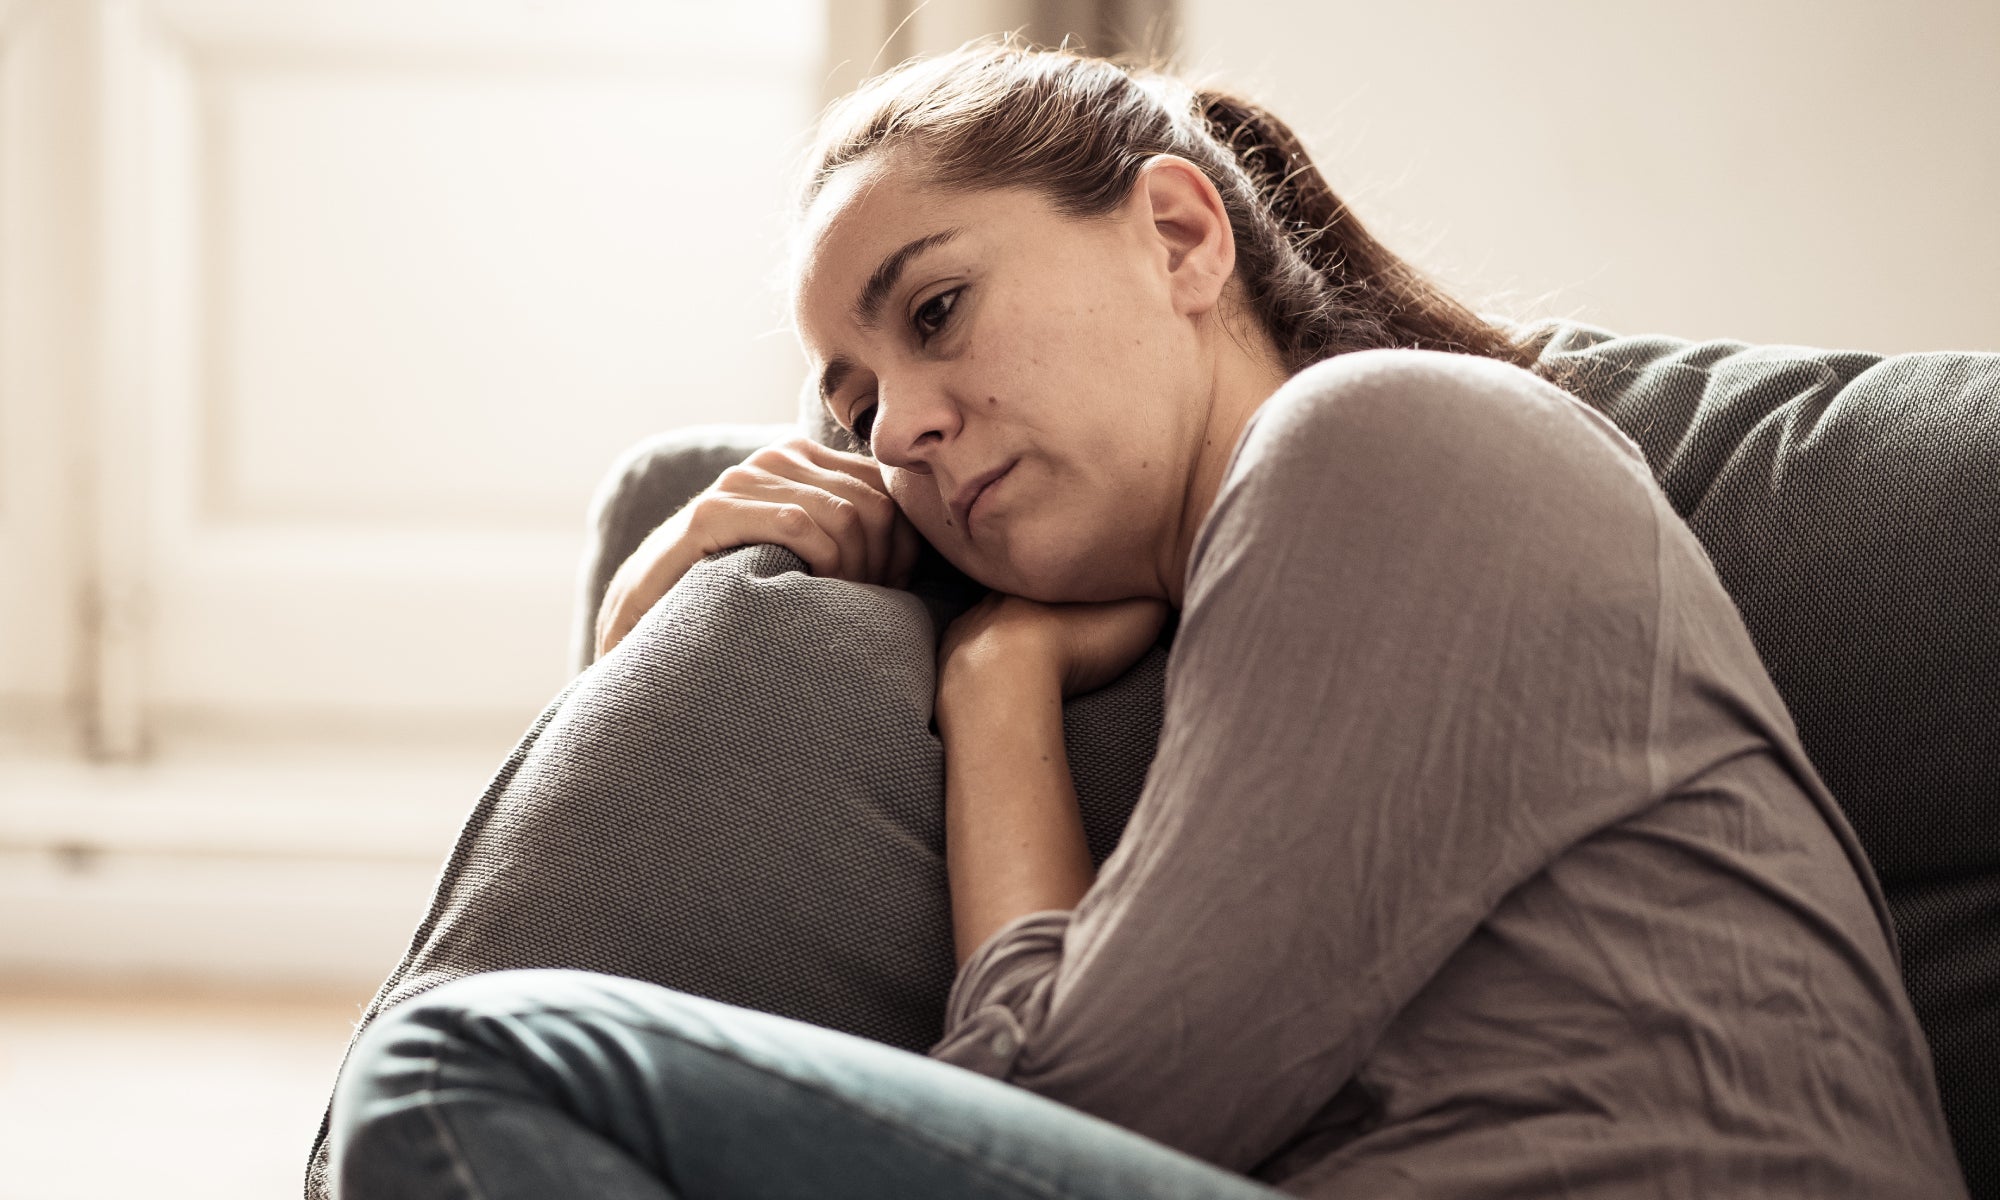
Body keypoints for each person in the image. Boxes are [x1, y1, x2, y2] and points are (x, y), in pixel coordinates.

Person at [324, 42, 1965, 1199]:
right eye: (856, 400)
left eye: (938, 310)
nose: (895, 427)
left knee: (472, 1067)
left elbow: (1062, 1094)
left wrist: (996, 696)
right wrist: (634, 645)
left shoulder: (1389, 441)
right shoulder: (1253, 595)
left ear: (1181, 231)